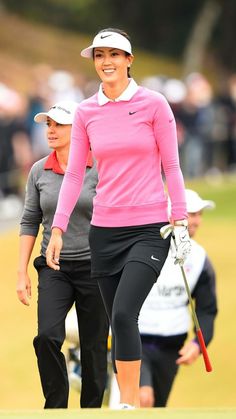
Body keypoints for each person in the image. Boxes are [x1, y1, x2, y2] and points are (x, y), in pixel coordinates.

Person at [46, 28, 191, 409]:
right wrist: (58, 226)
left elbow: (171, 166)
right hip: (104, 232)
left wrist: (180, 220)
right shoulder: (85, 112)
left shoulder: (155, 104)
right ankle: (124, 402)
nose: (105, 61)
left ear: (129, 60)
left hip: (149, 228)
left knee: (126, 312)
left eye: (113, 54)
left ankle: (127, 402)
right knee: (118, 322)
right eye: (99, 55)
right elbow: (75, 174)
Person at [16, 100, 109, 409]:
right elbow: (29, 220)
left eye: (59, 124)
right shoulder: (38, 170)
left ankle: (92, 410)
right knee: (47, 338)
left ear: (78, 128)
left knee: (95, 347)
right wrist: (21, 272)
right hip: (54, 266)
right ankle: (56, 408)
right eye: (48, 125)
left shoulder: (100, 167)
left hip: (96, 268)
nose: (51, 130)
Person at [138, 189, 217, 407]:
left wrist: (198, 344)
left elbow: (207, 309)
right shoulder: (144, 249)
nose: (198, 221)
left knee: (158, 406)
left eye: (200, 214)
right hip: (136, 341)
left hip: (172, 347)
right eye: (192, 214)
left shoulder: (200, 258)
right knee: (144, 399)